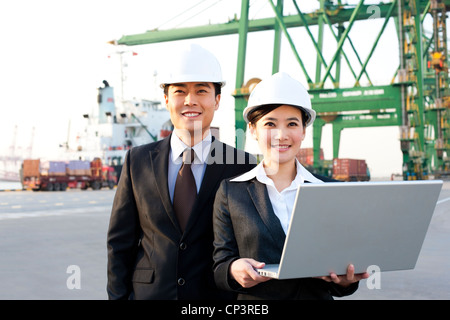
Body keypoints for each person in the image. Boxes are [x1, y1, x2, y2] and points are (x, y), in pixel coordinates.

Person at [107, 44, 256, 300]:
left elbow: (249, 243)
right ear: (166, 99)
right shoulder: (137, 161)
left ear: (217, 100)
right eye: (179, 91)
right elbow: (119, 244)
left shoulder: (241, 165)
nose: (190, 101)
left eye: (201, 90)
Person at [212, 72, 369, 300]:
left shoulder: (331, 191)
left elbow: (341, 270)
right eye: (270, 124)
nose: (282, 134)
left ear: (304, 131)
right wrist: (233, 270)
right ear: (253, 130)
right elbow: (220, 266)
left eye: (292, 124)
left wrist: (345, 282)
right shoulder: (231, 192)